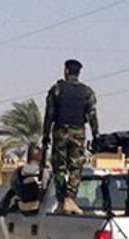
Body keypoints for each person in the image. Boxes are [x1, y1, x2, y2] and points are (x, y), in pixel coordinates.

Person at [42, 58, 98, 215]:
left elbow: (49, 115)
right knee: (76, 167)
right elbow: (92, 115)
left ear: (66, 70)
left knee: (59, 167)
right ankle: (70, 199)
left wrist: (45, 135)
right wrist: (96, 135)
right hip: (78, 132)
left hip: (60, 131)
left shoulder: (57, 89)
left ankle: (62, 201)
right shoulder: (87, 92)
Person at [10, 145, 44, 214]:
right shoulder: (44, 172)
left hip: (24, 207)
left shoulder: (19, 171)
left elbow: (14, 186)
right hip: (37, 207)